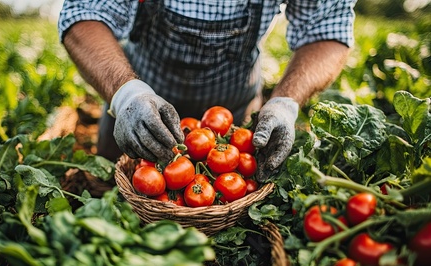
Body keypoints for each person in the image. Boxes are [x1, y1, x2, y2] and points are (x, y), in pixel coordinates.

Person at [58, 0, 356, 182]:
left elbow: (327, 29)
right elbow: (85, 11)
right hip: (135, 99)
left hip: (234, 113)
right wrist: (126, 95)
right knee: (116, 189)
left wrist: (285, 103)